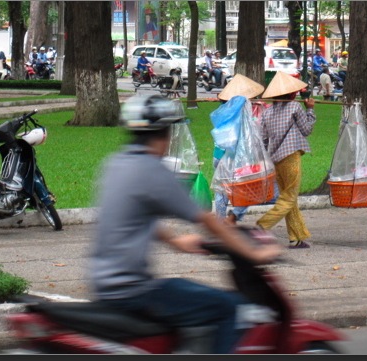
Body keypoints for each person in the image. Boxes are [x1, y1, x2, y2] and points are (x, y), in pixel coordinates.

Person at [88, 94, 281, 354]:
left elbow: (134, 217)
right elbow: (208, 221)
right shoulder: (152, 170)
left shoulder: (116, 164)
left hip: (104, 285)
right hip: (133, 291)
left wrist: (175, 241)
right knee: (227, 307)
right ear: (164, 134)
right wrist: (255, 253)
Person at [256, 71, 316, 249]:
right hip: (290, 156)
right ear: (291, 93)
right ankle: (263, 225)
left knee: (289, 197)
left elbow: (264, 139)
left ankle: (295, 238)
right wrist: (310, 109)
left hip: (275, 158)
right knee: (289, 197)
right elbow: (306, 130)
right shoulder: (295, 107)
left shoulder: (266, 113)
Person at [213, 74, 267, 225]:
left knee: (221, 191)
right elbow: (251, 132)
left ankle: (220, 221)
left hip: (218, 155)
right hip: (234, 158)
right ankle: (234, 216)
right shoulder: (242, 115)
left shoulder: (221, 112)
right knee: (248, 187)